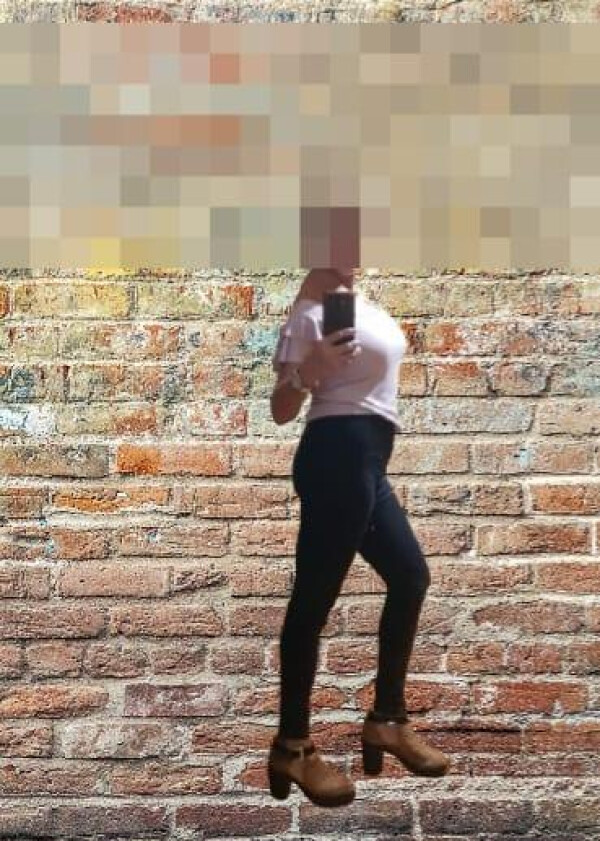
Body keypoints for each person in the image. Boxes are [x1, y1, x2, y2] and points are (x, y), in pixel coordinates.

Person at [267, 267, 452, 808]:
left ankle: (387, 722)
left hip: (368, 460)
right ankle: (293, 746)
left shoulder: (361, 305)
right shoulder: (308, 314)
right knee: (313, 602)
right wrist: (307, 374)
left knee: (410, 576)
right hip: (336, 456)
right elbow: (280, 409)